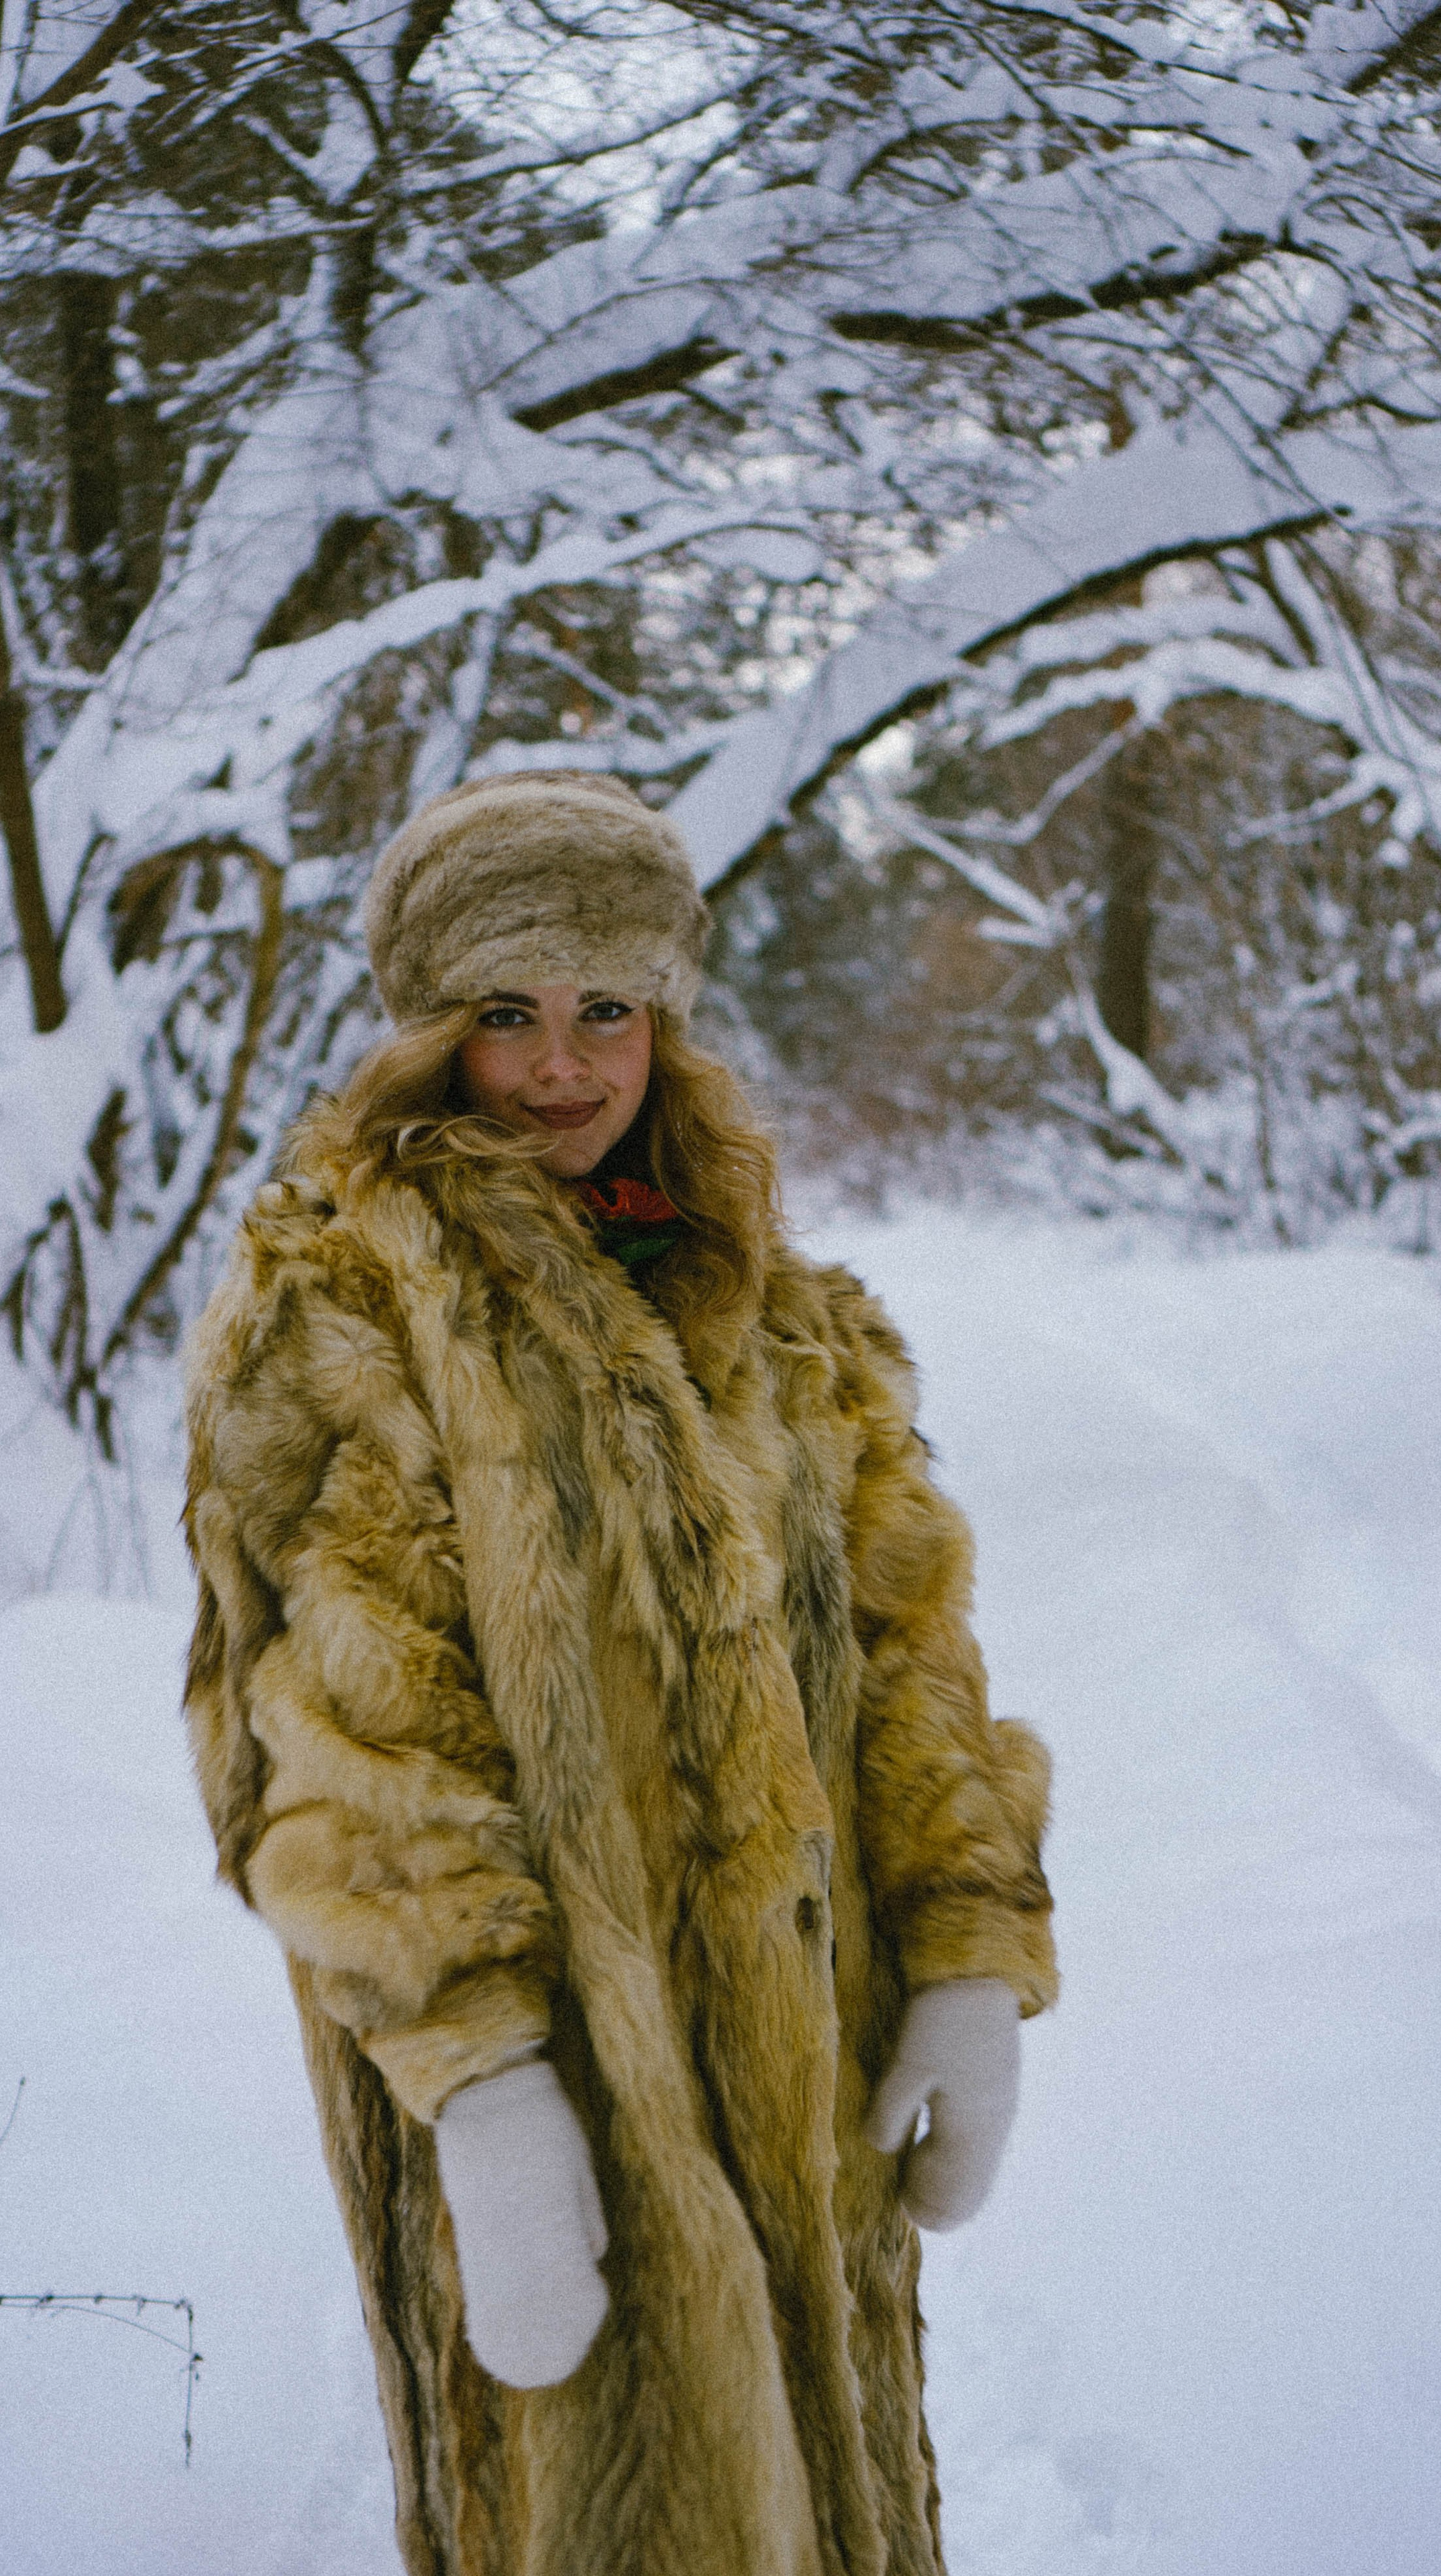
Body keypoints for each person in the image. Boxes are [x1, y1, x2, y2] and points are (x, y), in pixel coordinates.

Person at [182, 771, 1057, 2576]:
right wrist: (482, 2077)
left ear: (665, 1019)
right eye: (507, 1012)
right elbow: (327, 1718)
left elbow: (909, 1642)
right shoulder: (341, 1298)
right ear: (433, 1029)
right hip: (556, 2087)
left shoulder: (777, 1305)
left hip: (806, 2070)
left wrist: (972, 1945)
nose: (562, 1067)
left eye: (607, 1009)